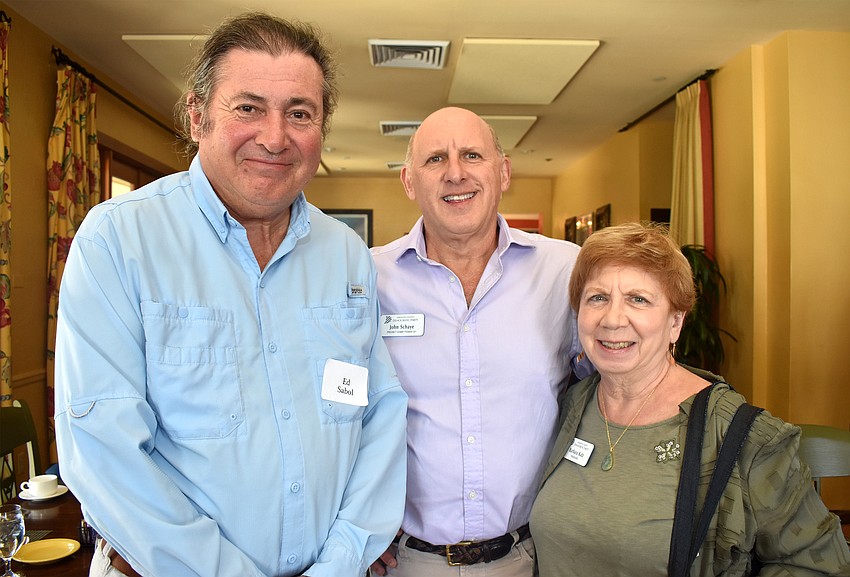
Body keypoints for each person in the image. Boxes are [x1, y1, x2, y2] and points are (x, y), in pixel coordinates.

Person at [53, 12, 407, 577]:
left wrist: (342, 560)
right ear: (197, 117)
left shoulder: (345, 253)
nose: (275, 136)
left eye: (300, 113)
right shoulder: (119, 240)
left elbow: (379, 414)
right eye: (248, 108)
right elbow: (103, 451)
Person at [529, 223, 850, 576]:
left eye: (639, 299)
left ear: (675, 323)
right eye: (598, 297)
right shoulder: (571, 404)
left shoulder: (741, 436)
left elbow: (820, 564)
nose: (613, 318)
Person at [369, 106, 592, 577]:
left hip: (533, 558)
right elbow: (333, 409)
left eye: (472, 154)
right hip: (407, 562)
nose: (455, 173)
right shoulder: (369, 278)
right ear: (409, 182)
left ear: (503, 171)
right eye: (435, 160)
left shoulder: (566, 271)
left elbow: (611, 387)